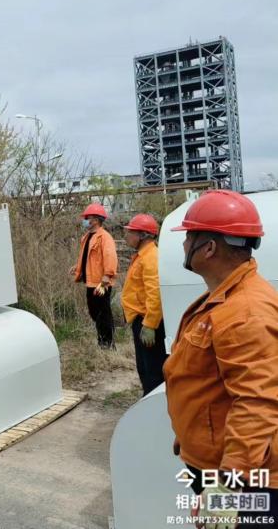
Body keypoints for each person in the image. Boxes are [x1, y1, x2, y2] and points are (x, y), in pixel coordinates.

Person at [165, 190, 278, 527]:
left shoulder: (247, 312)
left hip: (245, 479)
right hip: (217, 465)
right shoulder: (225, 298)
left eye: (189, 236)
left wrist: (228, 485)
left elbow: (258, 402)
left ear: (209, 248)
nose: (183, 243)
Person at [121, 213, 166, 395]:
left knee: (153, 371)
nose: (127, 236)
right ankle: (148, 401)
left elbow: (155, 292)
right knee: (144, 369)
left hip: (148, 323)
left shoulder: (150, 257)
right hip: (142, 320)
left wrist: (150, 324)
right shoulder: (143, 255)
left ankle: (155, 404)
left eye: (131, 232)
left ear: (143, 235)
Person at [72, 203, 119, 349]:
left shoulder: (105, 237)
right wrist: (78, 268)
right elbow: (86, 257)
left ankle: (108, 344)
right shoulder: (87, 237)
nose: (85, 220)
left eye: (88, 218)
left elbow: (110, 257)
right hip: (90, 282)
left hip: (101, 283)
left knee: (103, 314)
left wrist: (107, 275)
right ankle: (102, 341)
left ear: (96, 220)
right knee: (95, 313)